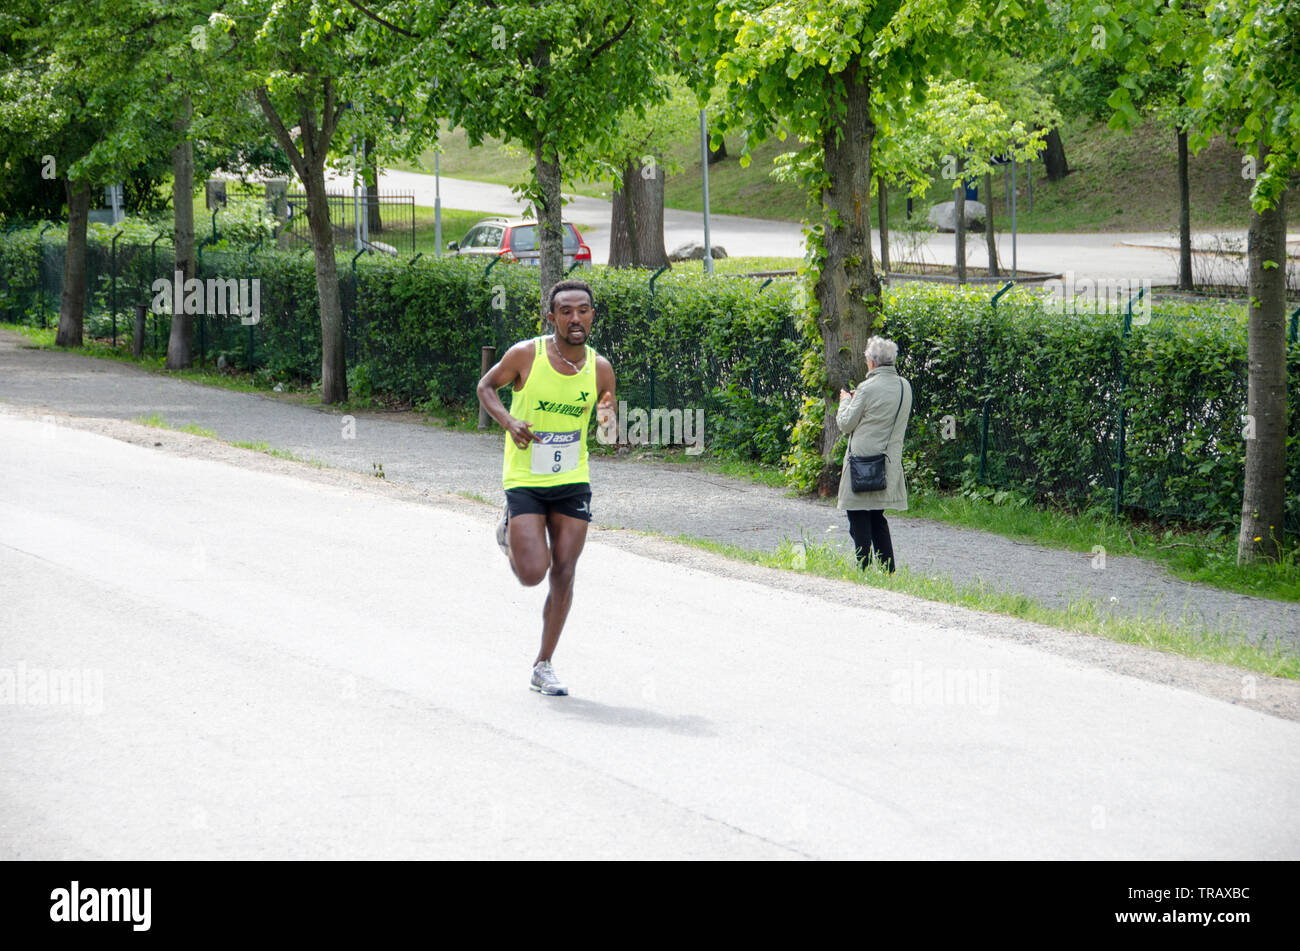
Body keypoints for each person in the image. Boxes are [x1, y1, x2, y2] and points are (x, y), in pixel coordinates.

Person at [476, 279, 616, 696]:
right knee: (533, 574)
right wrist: (509, 422)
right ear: (551, 317)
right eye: (567, 311)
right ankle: (511, 533)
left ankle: (544, 663)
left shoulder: (600, 367)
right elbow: (486, 387)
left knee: (565, 571)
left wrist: (609, 419)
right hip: (526, 480)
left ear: (592, 316)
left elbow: (607, 421)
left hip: (573, 478)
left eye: (584, 310)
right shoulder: (526, 355)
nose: (576, 318)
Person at [837, 335, 913, 574]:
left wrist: (845, 401)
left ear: (872, 362)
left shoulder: (866, 388)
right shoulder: (904, 386)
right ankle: (888, 570)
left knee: (858, 515)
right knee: (877, 517)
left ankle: (864, 567)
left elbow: (846, 423)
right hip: (887, 463)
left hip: (862, 463)